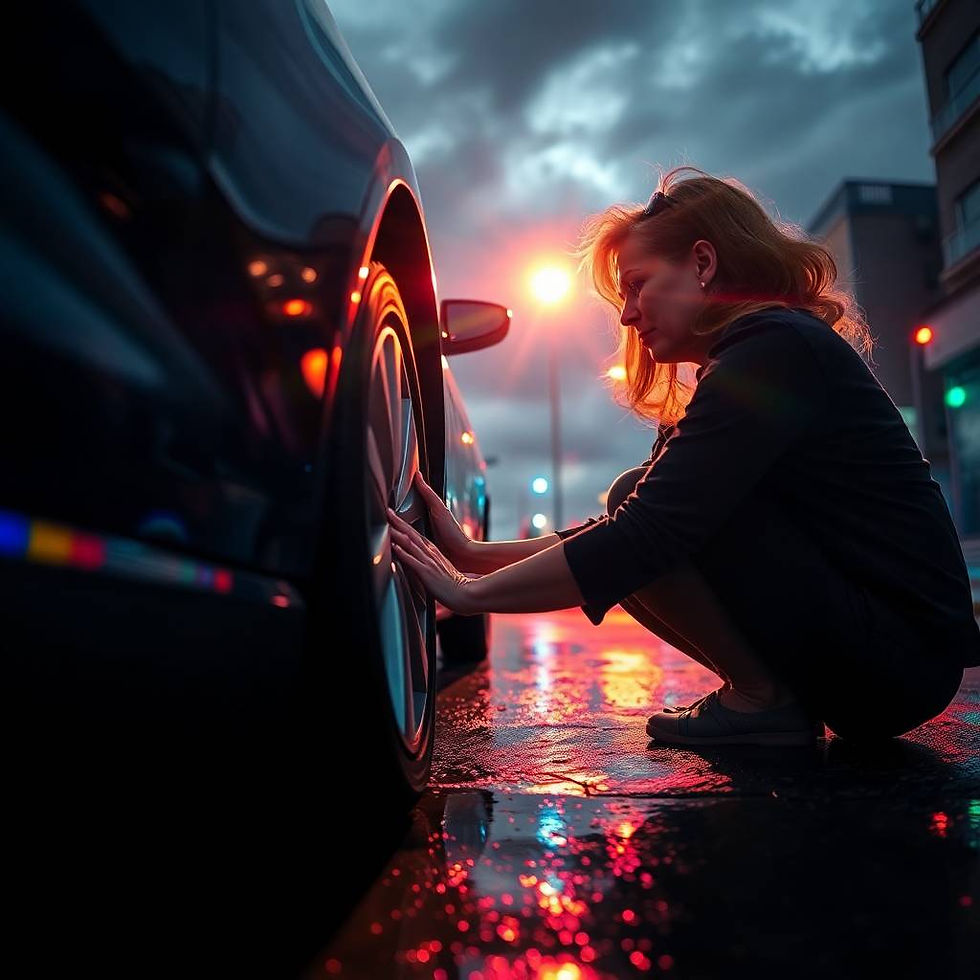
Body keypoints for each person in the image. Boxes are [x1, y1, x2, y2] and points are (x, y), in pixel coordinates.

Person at [387, 166, 980, 748]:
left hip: (900, 661)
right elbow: (631, 525)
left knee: (637, 506)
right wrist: (471, 555)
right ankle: (766, 698)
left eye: (638, 285)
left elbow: (646, 531)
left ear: (702, 264)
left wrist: (467, 594)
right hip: (892, 660)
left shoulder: (774, 352)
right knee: (638, 499)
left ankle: (760, 700)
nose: (627, 313)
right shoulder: (757, 354)